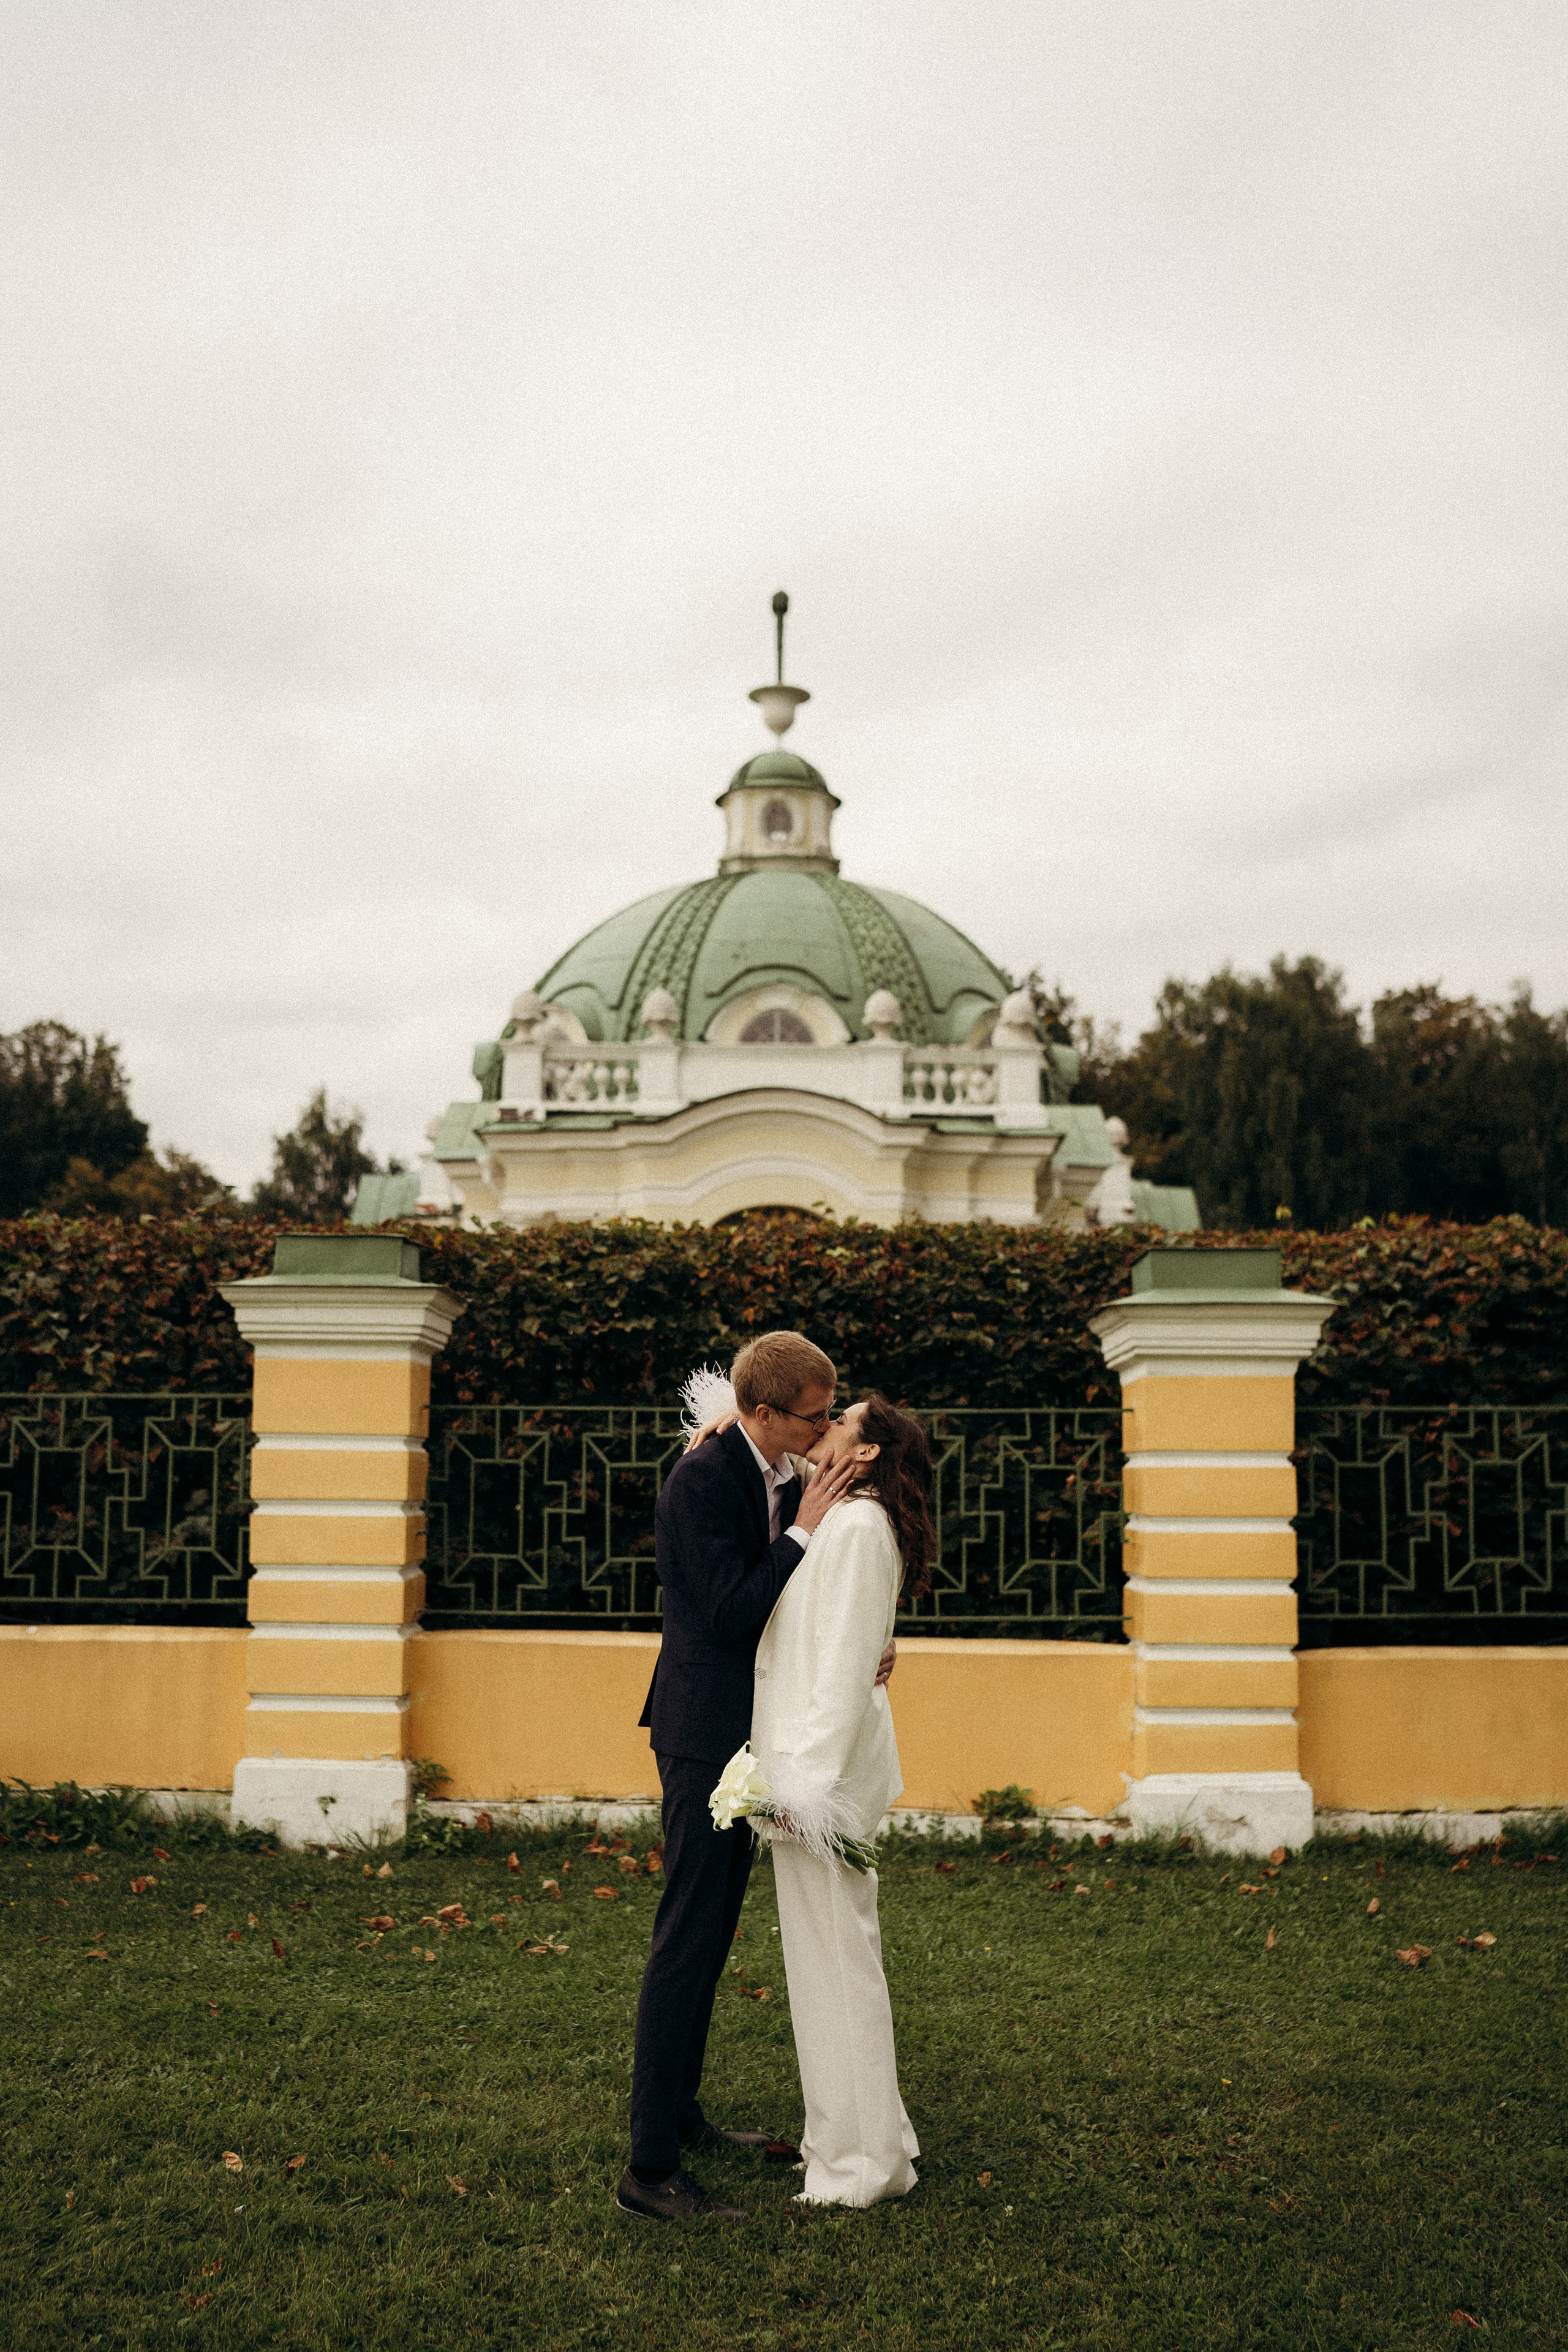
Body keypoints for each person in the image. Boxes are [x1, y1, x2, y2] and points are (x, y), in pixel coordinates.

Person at [617, 1330, 864, 2225]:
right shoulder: (703, 1480)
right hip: (700, 1733)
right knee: (686, 1939)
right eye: (811, 1413)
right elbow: (727, 1613)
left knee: (713, 1934)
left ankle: (680, 2118)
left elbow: (785, 1607)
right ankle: (648, 2170)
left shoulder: (767, 1457)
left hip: (748, 1731)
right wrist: (804, 1531)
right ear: (761, 1413)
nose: (825, 1424)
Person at [745, 1394, 932, 2207]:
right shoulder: (839, 1517)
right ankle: (852, 2139)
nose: (821, 1427)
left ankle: (864, 2168)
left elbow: (847, 1666)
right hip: (807, 1771)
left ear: (865, 1453)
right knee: (822, 1966)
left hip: (823, 1782)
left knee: (839, 1966)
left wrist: (804, 1787)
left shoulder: (857, 1529)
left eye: (840, 1421)